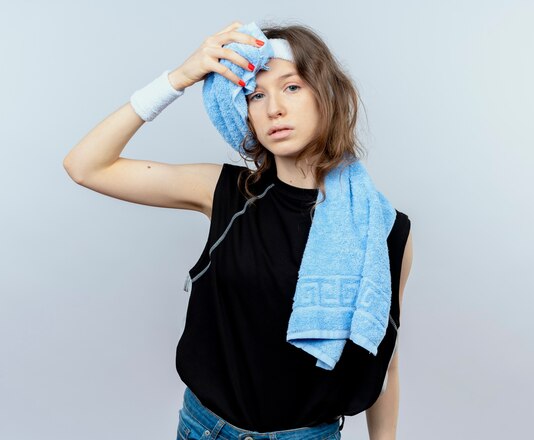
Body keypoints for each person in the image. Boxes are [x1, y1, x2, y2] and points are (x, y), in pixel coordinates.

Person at [63, 20, 413, 440]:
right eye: (255, 94)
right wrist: (179, 78)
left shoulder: (384, 230)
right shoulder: (226, 193)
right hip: (206, 430)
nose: (273, 109)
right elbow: (85, 165)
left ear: (328, 95)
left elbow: (383, 354)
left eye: (292, 87)